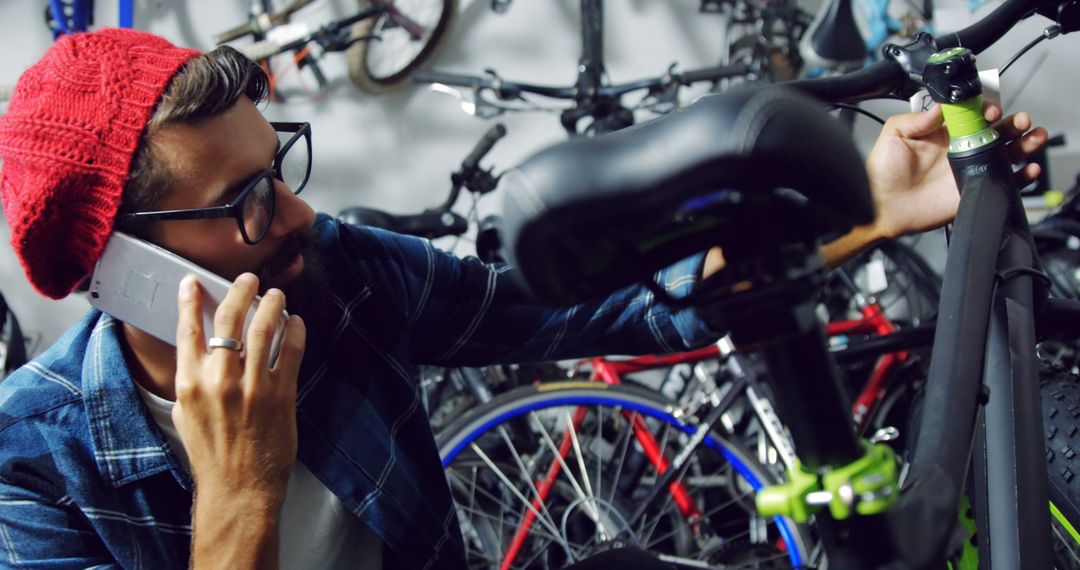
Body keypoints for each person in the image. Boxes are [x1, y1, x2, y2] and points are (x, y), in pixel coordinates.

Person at [0, 28, 1046, 570]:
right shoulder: (29, 473)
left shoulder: (335, 277)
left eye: (283, 171)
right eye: (247, 204)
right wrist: (240, 494)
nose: (302, 219)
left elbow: (566, 308)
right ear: (123, 268)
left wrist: (861, 205)